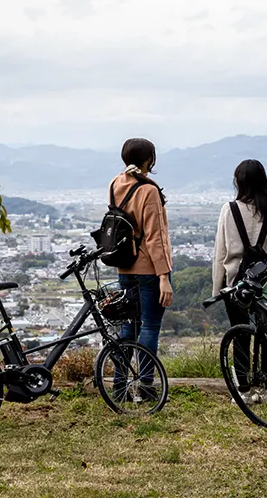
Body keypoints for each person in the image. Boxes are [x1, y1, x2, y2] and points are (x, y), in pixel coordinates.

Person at [212, 159, 267, 403]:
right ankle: (265, 389)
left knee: (240, 333)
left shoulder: (229, 209)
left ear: (239, 182)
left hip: (236, 281)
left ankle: (242, 389)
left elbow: (220, 252)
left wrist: (218, 288)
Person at [109, 138, 173, 395]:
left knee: (129, 326)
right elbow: (156, 237)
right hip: (149, 268)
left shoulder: (115, 183)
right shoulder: (148, 190)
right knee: (149, 326)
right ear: (150, 160)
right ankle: (146, 385)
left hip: (124, 266)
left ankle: (119, 383)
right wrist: (164, 276)